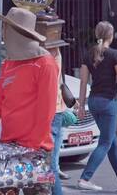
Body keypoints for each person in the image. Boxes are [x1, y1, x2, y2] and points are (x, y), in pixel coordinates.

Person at [0, 7, 59, 195]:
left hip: (36, 151)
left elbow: (46, 112)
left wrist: (31, 148)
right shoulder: (8, 64)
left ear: (16, 32)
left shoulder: (44, 63)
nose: (3, 32)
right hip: (8, 148)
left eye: (6, 28)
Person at [77, 21, 117, 191]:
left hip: (93, 101)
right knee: (105, 142)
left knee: (112, 142)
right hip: (108, 102)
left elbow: (83, 82)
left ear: (97, 34)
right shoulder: (115, 54)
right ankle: (85, 178)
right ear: (111, 35)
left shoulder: (88, 54)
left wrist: (81, 106)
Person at [47, 47, 67, 195]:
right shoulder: (54, 51)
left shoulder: (51, 51)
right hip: (57, 109)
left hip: (52, 110)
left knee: (50, 162)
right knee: (51, 160)